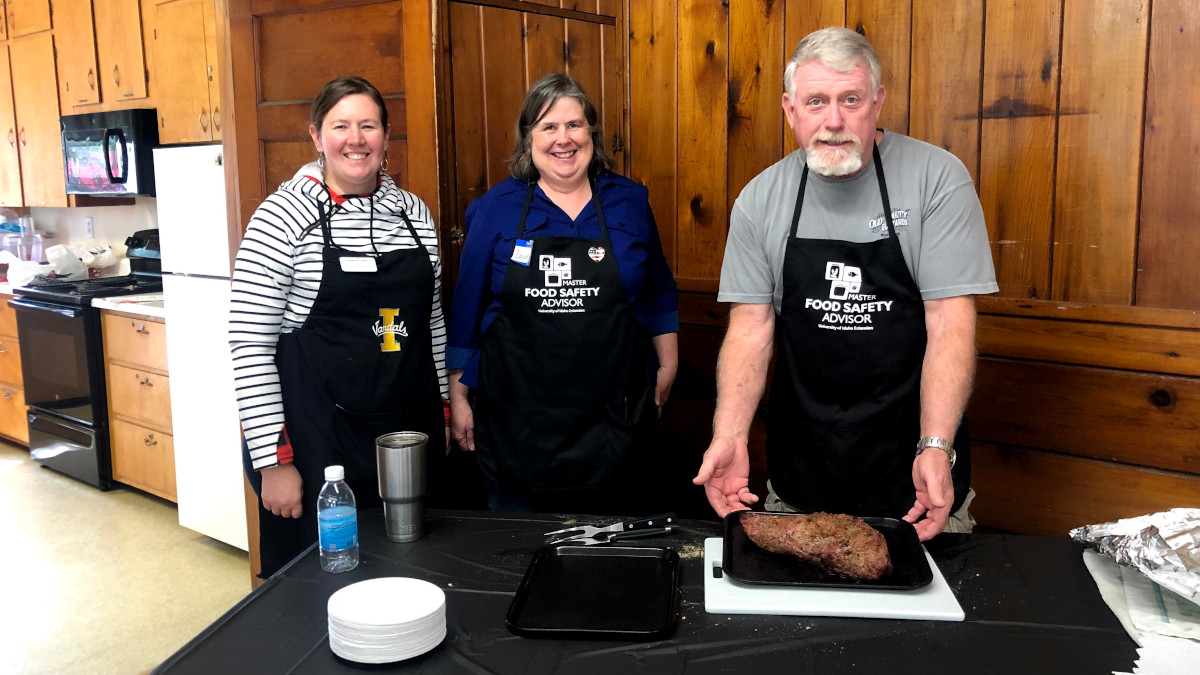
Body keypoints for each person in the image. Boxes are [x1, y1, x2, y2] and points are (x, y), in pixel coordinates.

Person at [693, 28, 998, 540]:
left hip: (917, 484)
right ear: (790, 109)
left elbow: (950, 321)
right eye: (816, 101)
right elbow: (751, 328)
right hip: (798, 482)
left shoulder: (936, 179)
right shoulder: (759, 200)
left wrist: (936, 445)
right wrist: (729, 434)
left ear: (877, 101)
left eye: (850, 99)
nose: (833, 120)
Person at [230, 76, 448, 577]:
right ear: (315, 136)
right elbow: (249, 345)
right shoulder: (282, 217)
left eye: (368, 125)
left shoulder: (413, 213)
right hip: (318, 446)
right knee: (318, 588)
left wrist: (442, 410)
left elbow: (431, 321)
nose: (356, 139)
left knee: (413, 571)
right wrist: (273, 461)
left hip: (405, 439)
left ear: (385, 137)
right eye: (340, 126)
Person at [448, 72, 679, 514]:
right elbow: (466, 308)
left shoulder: (629, 201)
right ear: (528, 138)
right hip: (519, 419)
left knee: (616, 552)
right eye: (548, 127)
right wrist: (459, 395)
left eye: (574, 124)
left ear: (591, 131)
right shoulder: (495, 209)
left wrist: (667, 364)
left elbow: (660, 289)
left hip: (616, 418)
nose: (563, 139)